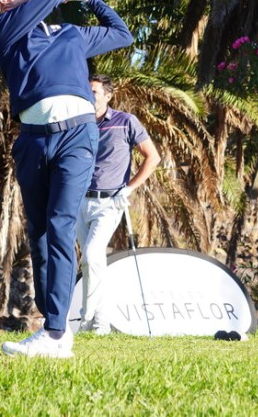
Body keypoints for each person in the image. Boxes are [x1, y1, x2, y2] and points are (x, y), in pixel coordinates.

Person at [0, 0, 133, 358]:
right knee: (39, 233)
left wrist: (91, 0)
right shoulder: (6, 30)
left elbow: (122, 33)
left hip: (77, 136)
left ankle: (55, 334)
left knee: (60, 225)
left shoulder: (70, 34)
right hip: (33, 139)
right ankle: (56, 328)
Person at [78, 74, 161, 334]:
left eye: (93, 91)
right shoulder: (78, 123)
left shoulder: (126, 122)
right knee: (91, 261)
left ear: (107, 95)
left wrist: (128, 189)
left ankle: (86, 318)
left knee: (92, 256)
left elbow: (153, 157)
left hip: (110, 201)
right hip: (80, 200)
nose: (88, 95)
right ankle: (100, 324)